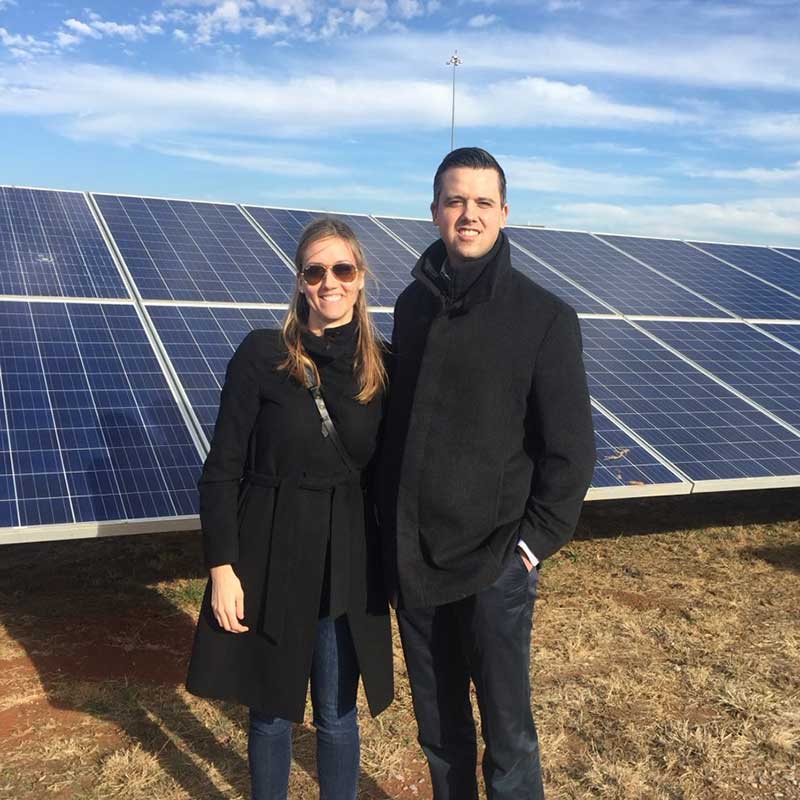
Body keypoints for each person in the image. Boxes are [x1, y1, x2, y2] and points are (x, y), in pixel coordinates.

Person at [379, 147, 596, 799]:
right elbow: (399, 428)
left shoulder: (543, 317)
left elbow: (571, 453)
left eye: (481, 201)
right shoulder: (412, 306)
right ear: (434, 211)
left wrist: (527, 550)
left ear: (503, 212)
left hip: (494, 562)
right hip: (416, 561)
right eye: (454, 200)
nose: (466, 214)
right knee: (440, 728)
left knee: (508, 737)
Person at [186, 218, 393, 800]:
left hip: (346, 556)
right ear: (301, 282)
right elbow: (222, 467)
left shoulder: (383, 366)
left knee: (336, 711)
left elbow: (396, 473)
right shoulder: (262, 355)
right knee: (272, 709)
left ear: (360, 277)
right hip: (270, 550)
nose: (330, 282)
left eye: (342, 269)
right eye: (315, 271)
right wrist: (222, 569)